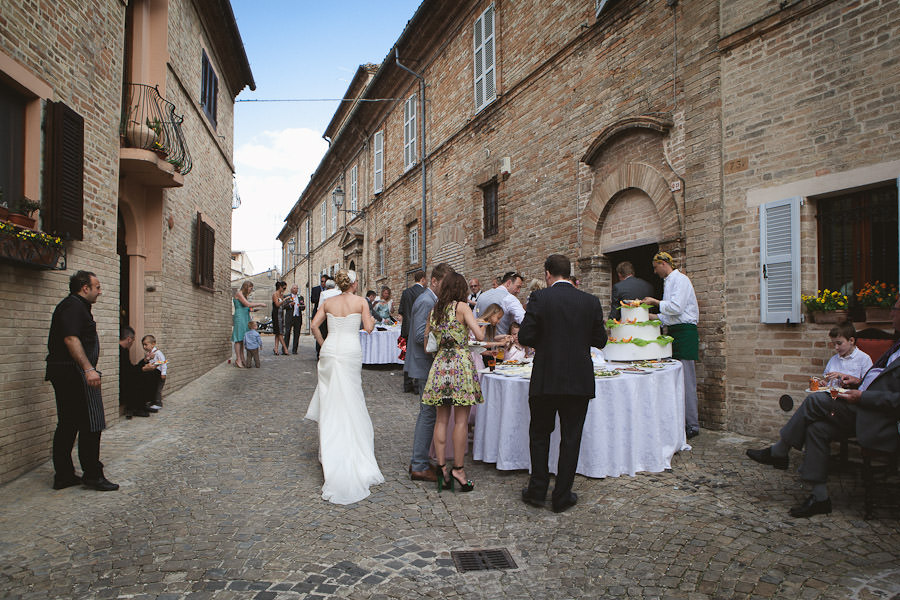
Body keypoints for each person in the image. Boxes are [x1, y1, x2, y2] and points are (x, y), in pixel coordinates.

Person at [746, 296, 900, 518]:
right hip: (861, 404)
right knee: (816, 428)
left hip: (876, 417)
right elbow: (876, 378)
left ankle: (780, 451)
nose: (891, 314)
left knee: (815, 400)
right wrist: (856, 382)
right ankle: (820, 498)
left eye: (894, 309)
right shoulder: (896, 345)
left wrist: (862, 397)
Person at [519, 254, 607, 513]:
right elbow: (600, 341)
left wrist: (547, 342)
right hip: (578, 379)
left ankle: (537, 491)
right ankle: (562, 495)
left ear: (548, 273)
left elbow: (525, 335)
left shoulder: (540, 298)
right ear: (569, 274)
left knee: (539, 434)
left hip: (546, 377)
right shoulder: (590, 301)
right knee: (571, 437)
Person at [305, 270, 384, 504]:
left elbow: (313, 325)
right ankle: (353, 448)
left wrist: (323, 344)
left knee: (331, 401)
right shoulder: (360, 301)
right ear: (353, 283)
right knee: (352, 398)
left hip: (330, 350)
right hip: (349, 350)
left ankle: (330, 451)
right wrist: (370, 315)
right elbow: (369, 328)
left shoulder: (328, 302)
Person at [45, 270, 118, 491]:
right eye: (97, 287)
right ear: (84, 288)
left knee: (68, 423)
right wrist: (88, 369)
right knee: (91, 423)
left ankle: (64, 475)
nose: (100, 291)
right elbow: (70, 338)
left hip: (66, 372)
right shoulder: (73, 306)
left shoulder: (73, 306)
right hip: (74, 374)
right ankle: (92, 475)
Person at [422, 273, 488, 493]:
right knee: (460, 421)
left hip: (441, 364)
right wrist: (483, 325)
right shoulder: (462, 307)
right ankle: (458, 470)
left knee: (441, 420)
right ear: (461, 289)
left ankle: (441, 469)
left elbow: (426, 346)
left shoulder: (435, 310)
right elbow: (479, 336)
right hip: (460, 363)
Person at [642, 252, 701, 439]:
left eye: (655, 267)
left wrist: (654, 302)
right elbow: (669, 316)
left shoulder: (681, 280)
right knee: (676, 379)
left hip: (685, 333)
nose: (654, 271)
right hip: (675, 332)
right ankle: (680, 421)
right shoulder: (668, 282)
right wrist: (650, 317)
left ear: (663, 264)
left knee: (687, 380)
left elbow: (676, 308)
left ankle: (692, 424)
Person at [407, 262, 456, 482]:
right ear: (434, 281)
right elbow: (420, 336)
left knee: (429, 414)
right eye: (444, 285)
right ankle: (418, 464)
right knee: (428, 415)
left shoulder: (431, 300)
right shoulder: (426, 301)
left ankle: (421, 460)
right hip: (426, 365)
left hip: (427, 364)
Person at [399, 270, 427, 393]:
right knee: (419, 356)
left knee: (408, 356)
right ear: (423, 279)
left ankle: (407, 384)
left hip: (407, 328)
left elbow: (401, 311)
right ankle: (417, 386)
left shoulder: (406, 292)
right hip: (419, 327)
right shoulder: (424, 293)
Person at [476, 271, 525, 335]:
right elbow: (523, 319)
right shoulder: (510, 298)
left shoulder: (481, 296)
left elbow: (475, 318)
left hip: (481, 342)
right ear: (508, 283)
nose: (518, 291)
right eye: (518, 287)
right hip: (502, 342)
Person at [233, 281, 265, 368]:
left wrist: (254, 310)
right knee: (238, 338)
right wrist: (260, 304)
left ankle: (242, 357)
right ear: (246, 287)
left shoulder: (244, 295)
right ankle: (238, 359)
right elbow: (247, 304)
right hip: (240, 317)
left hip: (245, 316)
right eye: (250, 288)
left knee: (243, 338)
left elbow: (246, 307)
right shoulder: (239, 294)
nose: (251, 290)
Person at [119, 327, 150, 418]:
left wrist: (144, 361)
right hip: (122, 382)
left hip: (126, 377)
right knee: (141, 378)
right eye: (133, 339)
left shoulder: (124, 350)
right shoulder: (120, 351)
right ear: (129, 339)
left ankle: (142, 405)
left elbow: (130, 369)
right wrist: (142, 369)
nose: (133, 342)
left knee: (149, 374)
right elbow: (128, 372)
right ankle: (136, 407)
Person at [141, 334, 167, 410]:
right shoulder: (149, 353)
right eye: (143, 345)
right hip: (153, 374)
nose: (144, 347)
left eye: (146, 344)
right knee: (153, 387)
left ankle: (158, 403)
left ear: (153, 344)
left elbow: (163, 362)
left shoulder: (158, 353)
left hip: (159, 374)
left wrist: (163, 373)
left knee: (158, 389)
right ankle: (152, 401)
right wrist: (147, 358)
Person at [315, 278, 338, 358]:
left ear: (327, 286)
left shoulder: (324, 293)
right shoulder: (339, 292)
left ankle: (323, 351)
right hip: (336, 316)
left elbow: (320, 307)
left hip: (326, 317)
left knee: (323, 334)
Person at [284, 284, 305, 354]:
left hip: (298, 317)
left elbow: (303, 307)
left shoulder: (300, 297)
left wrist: (302, 306)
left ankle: (295, 350)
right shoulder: (287, 297)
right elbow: (283, 306)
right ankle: (285, 349)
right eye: (294, 288)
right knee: (287, 333)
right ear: (291, 289)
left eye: (296, 288)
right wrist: (290, 305)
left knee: (297, 334)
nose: (295, 290)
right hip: (290, 317)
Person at [271, 281, 289, 356]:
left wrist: (288, 303)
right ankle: (285, 348)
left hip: (281, 314)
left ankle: (276, 348)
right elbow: (277, 304)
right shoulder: (275, 294)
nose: (284, 290)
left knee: (278, 333)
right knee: (280, 332)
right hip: (276, 314)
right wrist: (284, 300)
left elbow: (282, 305)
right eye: (284, 288)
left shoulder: (281, 295)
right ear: (280, 287)